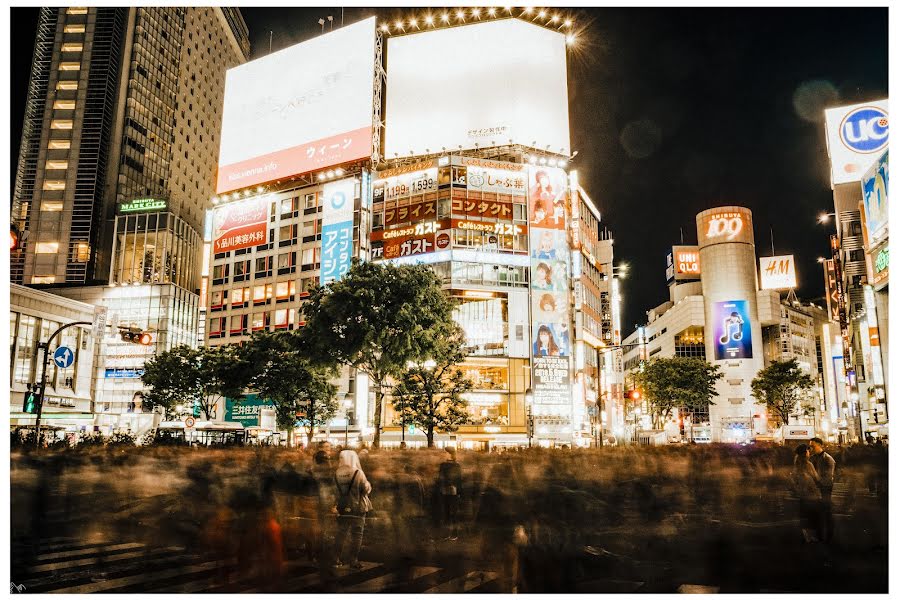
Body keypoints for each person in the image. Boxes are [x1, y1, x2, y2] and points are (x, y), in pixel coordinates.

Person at [333, 450, 372, 569]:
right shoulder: (358, 472)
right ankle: (353, 560)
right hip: (358, 508)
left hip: (343, 507)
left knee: (341, 533)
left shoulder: (337, 473)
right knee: (357, 534)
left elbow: (334, 492)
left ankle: (335, 558)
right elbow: (365, 489)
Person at [791, 444, 822, 543]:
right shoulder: (808, 464)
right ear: (805, 453)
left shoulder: (797, 464)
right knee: (813, 515)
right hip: (811, 493)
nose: (809, 452)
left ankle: (806, 536)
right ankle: (812, 537)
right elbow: (816, 477)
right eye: (808, 451)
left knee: (804, 515)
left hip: (802, 493)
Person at [809, 437, 836, 543]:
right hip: (816, 487)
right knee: (818, 511)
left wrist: (818, 483)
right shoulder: (812, 458)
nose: (810, 448)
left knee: (826, 510)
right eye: (810, 446)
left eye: (813, 446)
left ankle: (829, 535)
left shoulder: (828, 459)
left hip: (824, 487)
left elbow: (828, 476)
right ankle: (820, 534)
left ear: (820, 445)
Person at [438, 448, 463, 541]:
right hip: (448, 491)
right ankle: (448, 533)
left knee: (453, 513)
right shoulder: (445, 465)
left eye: (445, 452)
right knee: (447, 513)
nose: (444, 454)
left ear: (450, 454)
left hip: (452, 491)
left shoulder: (455, 465)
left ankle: (453, 533)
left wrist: (459, 492)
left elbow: (458, 479)